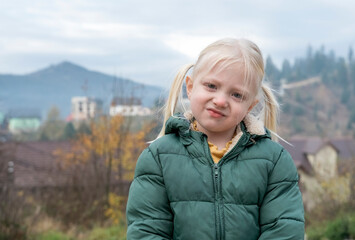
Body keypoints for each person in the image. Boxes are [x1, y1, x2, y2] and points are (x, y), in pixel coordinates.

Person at [126, 38, 305, 239]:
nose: (220, 101)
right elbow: (146, 230)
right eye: (211, 86)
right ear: (190, 86)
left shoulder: (274, 161)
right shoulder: (158, 157)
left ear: (250, 105)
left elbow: (284, 231)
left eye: (237, 95)